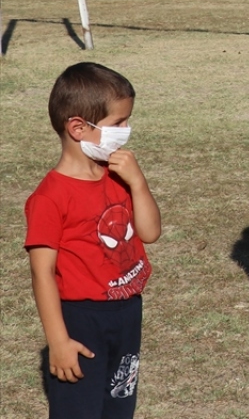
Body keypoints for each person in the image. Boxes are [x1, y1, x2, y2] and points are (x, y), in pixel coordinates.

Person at [25, 63, 161, 419]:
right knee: (79, 410)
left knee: (119, 404)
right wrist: (58, 341)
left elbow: (150, 232)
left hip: (128, 310)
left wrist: (138, 183)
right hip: (82, 318)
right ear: (77, 128)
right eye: (118, 124)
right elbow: (42, 274)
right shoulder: (49, 198)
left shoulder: (117, 176)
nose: (126, 131)